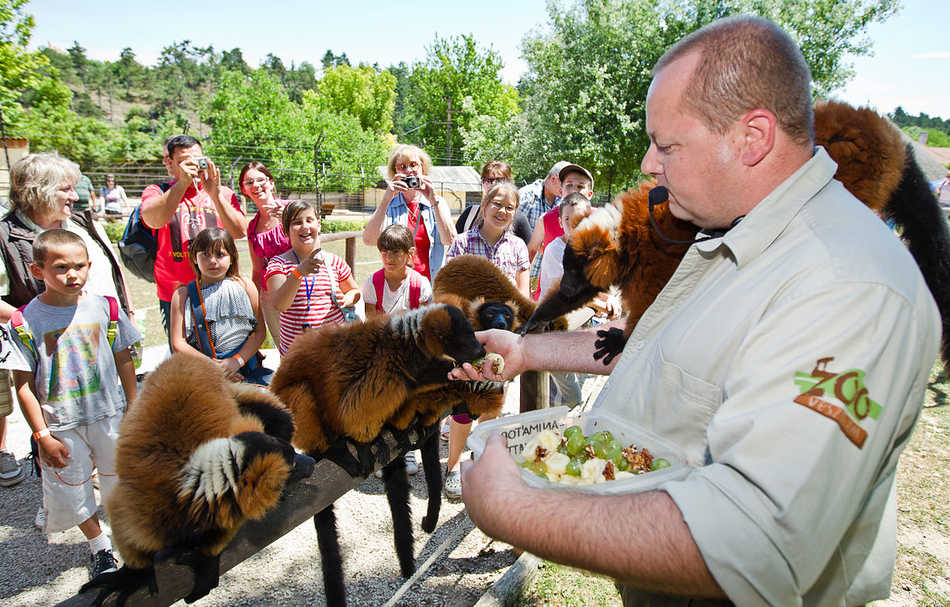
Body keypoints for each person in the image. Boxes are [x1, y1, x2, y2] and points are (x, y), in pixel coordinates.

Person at [452, 16, 940, 606]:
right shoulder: (725, 236)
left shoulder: (849, 287)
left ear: (752, 138)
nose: (648, 165)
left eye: (667, 144)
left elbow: (758, 540)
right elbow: (654, 347)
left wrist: (517, 508)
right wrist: (529, 350)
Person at [0, 153, 136, 493]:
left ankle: (101, 475)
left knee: (101, 406)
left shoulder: (80, 222)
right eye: (66, 189)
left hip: (97, 337)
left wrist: (125, 308)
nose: (74, 196)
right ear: (39, 192)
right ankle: (61, 484)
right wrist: (26, 319)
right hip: (50, 348)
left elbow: (108, 268)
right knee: (55, 413)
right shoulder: (7, 236)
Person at [10, 229, 139, 579]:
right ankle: (100, 549)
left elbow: (123, 356)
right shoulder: (25, 322)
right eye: (61, 267)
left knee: (121, 481)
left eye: (79, 266)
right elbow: (22, 384)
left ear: (89, 266)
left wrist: (133, 403)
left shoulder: (104, 307)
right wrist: (41, 435)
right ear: (39, 271)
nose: (72, 275)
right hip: (61, 425)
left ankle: (131, 541)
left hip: (109, 416)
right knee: (73, 489)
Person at [442, 181, 529, 501]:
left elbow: (521, 295)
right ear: (485, 205)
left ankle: (478, 458)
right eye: (497, 204)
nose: (503, 211)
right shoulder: (463, 243)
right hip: (469, 336)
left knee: (493, 401)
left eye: (510, 207)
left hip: (503, 337)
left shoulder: (518, 247)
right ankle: (453, 467)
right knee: (463, 406)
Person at [140, 134, 247, 341]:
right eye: (183, 162)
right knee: (184, 357)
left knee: (225, 348)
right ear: (169, 163)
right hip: (174, 294)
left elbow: (239, 231)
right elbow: (153, 220)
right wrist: (181, 184)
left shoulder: (222, 192)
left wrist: (214, 194)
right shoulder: (157, 192)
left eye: (197, 160)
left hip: (220, 288)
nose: (193, 167)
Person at [362, 224, 434, 477]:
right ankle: (382, 451)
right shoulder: (372, 282)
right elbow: (372, 322)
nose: (389, 259)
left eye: (396, 253)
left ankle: (407, 450)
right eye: (384, 253)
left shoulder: (419, 284)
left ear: (410, 253)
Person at [169, 227, 270, 385]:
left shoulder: (245, 286)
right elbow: (178, 343)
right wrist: (214, 368)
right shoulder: (183, 295)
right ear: (194, 258)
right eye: (205, 255)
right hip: (202, 376)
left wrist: (236, 362)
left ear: (232, 258)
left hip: (245, 370)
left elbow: (259, 333)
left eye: (220, 254)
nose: (213, 261)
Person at [265, 200, 360, 355]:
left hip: (333, 352)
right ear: (285, 231)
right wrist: (298, 273)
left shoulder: (333, 262)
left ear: (318, 225)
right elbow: (279, 304)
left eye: (309, 220)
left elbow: (354, 291)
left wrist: (348, 299)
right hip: (296, 355)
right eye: (297, 222)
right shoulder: (278, 264)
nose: (305, 227)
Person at [362, 144, 456, 281]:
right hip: (398, 285)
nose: (409, 171)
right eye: (402, 167)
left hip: (431, 286)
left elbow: (451, 241)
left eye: (413, 165)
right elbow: (369, 240)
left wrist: (433, 200)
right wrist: (386, 199)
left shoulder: (437, 203)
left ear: (422, 168)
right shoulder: (389, 206)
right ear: (395, 173)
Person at [239, 161, 292, 343]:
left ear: (271, 182)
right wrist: (254, 304)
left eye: (260, 179)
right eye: (249, 182)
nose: (256, 185)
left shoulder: (291, 208)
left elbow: (312, 244)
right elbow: (257, 269)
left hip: (300, 290)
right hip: (271, 299)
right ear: (244, 189)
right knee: (283, 346)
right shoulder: (252, 227)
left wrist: (290, 218)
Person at [527, 163, 595, 300]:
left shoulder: (598, 220)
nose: (573, 190)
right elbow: (530, 254)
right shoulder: (545, 220)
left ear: (590, 194)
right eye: (569, 185)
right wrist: (527, 291)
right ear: (561, 190)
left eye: (580, 186)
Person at [456, 161, 532, 244]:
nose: (493, 184)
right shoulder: (469, 214)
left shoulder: (518, 219)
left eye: (499, 180)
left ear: (509, 182)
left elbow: (527, 253)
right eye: (488, 180)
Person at [517, 160, 569, 231]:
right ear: (553, 178)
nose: (567, 187)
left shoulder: (564, 200)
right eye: (565, 183)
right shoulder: (527, 196)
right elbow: (512, 229)